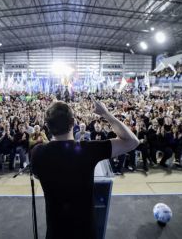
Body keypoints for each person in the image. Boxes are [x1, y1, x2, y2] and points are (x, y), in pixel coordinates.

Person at [31, 99, 139, 239]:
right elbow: (132, 142)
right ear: (73, 122)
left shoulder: (37, 152)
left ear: (47, 126)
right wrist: (106, 114)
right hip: (85, 231)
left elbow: (38, 175)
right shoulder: (88, 150)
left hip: (56, 232)